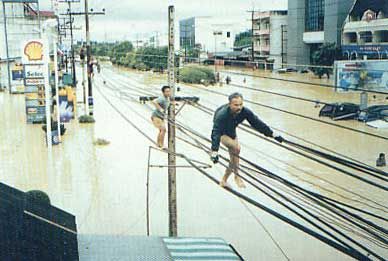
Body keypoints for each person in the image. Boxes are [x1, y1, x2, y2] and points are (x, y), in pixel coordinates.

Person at [210, 92, 284, 188]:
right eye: (236, 105)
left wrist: (273, 134)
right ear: (229, 104)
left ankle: (226, 179)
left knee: (235, 155)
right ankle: (236, 177)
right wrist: (215, 151)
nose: (239, 107)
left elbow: (257, 123)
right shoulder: (222, 115)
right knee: (236, 149)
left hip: (231, 130)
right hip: (221, 132)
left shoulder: (244, 111)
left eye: (241, 104)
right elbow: (215, 132)